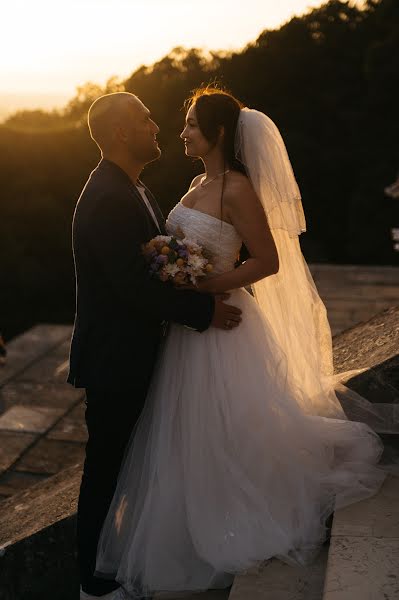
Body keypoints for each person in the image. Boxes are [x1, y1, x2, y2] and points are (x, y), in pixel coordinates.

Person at [95, 87, 386, 598]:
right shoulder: (195, 182)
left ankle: (239, 513)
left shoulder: (238, 189)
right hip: (190, 328)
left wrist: (202, 285)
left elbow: (266, 261)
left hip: (224, 320)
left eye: (190, 124)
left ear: (218, 132)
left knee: (227, 424)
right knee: (189, 429)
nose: (181, 131)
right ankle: (196, 515)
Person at [67, 91, 242, 600]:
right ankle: (93, 584)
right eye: (145, 119)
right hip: (114, 360)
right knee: (106, 467)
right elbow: (131, 286)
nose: (156, 126)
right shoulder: (107, 197)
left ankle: (120, 563)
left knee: (131, 465)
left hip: (137, 353)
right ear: (122, 132)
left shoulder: (131, 186)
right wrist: (204, 311)